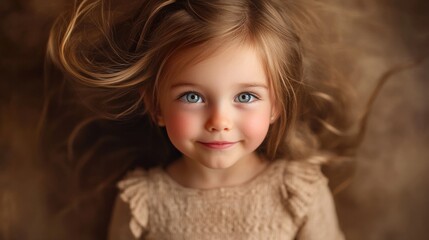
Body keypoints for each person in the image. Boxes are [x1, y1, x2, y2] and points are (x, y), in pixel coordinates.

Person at [47, 0, 354, 239]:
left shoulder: (298, 193)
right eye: (192, 97)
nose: (219, 121)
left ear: (276, 105)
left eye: (245, 97)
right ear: (156, 105)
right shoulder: (142, 203)